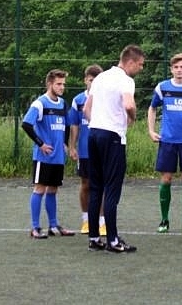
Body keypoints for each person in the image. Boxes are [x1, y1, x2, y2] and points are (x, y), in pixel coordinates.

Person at [83, 44, 145, 253]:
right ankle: (112, 240)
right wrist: (131, 118)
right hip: (113, 137)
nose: (141, 68)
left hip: (93, 134)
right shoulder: (126, 80)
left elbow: (86, 109)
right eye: (140, 64)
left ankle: (94, 238)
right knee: (111, 189)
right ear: (130, 62)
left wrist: (98, 123)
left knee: (95, 188)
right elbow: (129, 105)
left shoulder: (100, 78)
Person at [147, 53, 182, 234]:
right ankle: (164, 220)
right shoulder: (162, 87)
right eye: (176, 67)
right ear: (171, 69)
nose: (179, 70)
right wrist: (151, 130)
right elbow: (152, 108)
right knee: (166, 179)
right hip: (168, 140)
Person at [21, 69, 75, 238]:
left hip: (58, 156)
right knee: (40, 189)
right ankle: (35, 228)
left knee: (53, 190)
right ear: (50, 84)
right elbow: (26, 124)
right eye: (59, 84)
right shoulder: (40, 103)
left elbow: (67, 125)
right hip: (43, 157)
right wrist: (41, 144)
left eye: (63, 84)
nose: (62, 87)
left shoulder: (63, 104)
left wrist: (65, 143)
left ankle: (53, 225)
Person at [68, 64, 106, 236]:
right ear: (85, 80)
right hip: (84, 150)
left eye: (97, 80)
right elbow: (74, 125)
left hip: (102, 149)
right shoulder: (78, 100)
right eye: (91, 80)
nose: (94, 83)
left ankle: (102, 222)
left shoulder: (106, 98)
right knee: (86, 184)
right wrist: (72, 146)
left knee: (102, 185)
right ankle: (86, 220)